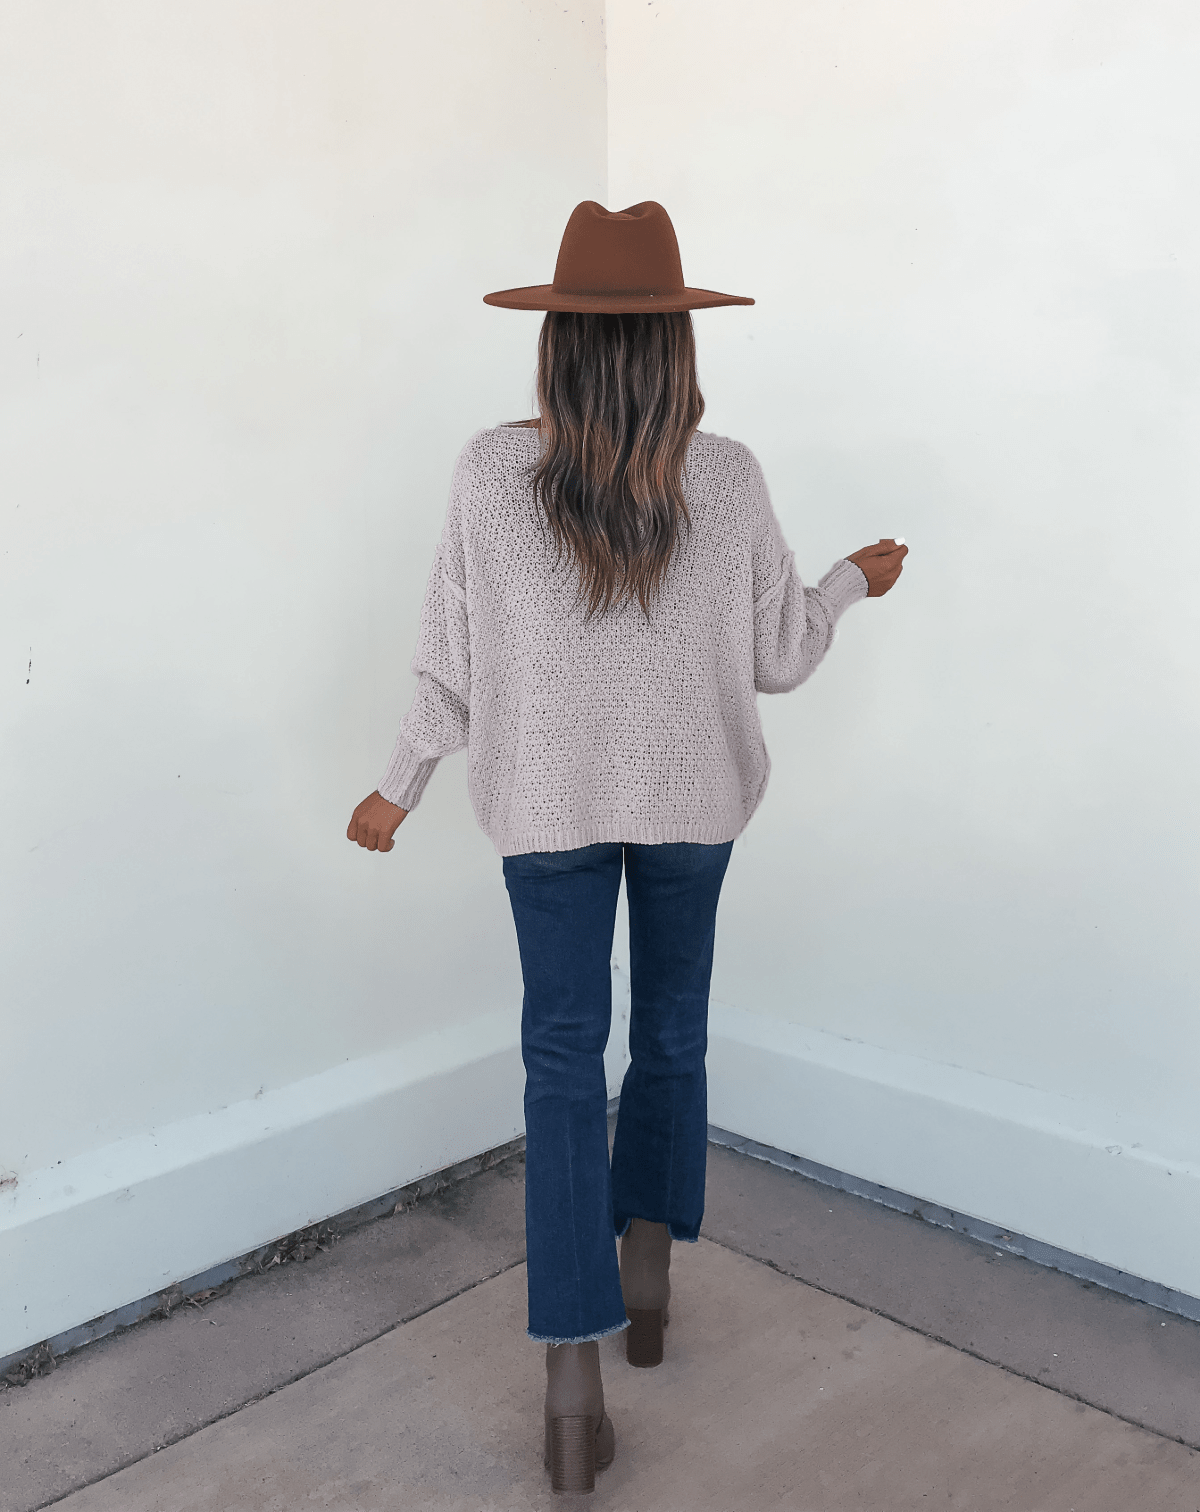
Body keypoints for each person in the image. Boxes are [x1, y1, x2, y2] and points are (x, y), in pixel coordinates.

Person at [346, 200, 907, 1495]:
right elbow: (779, 659)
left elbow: (453, 651)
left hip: (541, 812)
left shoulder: (490, 471)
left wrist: (399, 787)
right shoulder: (731, 473)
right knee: (669, 1033)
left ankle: (569, 1385)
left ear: (555, 342)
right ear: (677, 345)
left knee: (557, 1064)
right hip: (693, 809)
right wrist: (850, 583)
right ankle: (646, 1281)